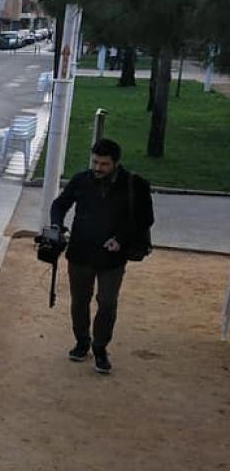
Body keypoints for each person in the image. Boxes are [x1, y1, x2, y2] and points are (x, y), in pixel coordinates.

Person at [50, 138, 153, 375]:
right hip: (80, 252)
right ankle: (82, 340)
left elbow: (145, 218)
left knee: (107, 303)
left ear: (116, 163)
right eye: (95, 162)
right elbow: (59, 205)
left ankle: (100, 347)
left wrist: (121, 239)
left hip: (112, 258)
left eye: (104, 164)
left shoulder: (134, 184)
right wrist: (56, 226)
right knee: (79, 301)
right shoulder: (81, 180)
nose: (97, 168)